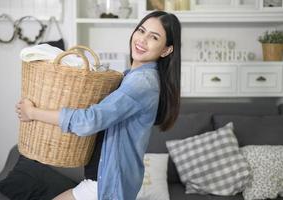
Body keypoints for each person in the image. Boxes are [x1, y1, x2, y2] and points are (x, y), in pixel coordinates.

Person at [16, 10, 181, 200]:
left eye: (154, 37)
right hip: (104, 181)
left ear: (166, 50)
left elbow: (91, 120)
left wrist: (33, 112)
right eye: (141, 31)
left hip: (105, 185)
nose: (142, 40)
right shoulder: (132, 76)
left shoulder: (142, 82)